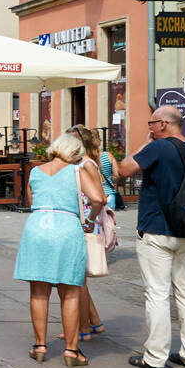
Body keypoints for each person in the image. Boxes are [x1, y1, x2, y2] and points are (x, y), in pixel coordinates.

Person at [117, 105, 185, 368]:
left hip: (157, 229)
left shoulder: (158, 147)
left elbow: (123, 170)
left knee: (157, 294)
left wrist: (143, 145)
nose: (150, 128)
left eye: (151, 123)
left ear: (163, 124)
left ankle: (155, 357)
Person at [13, 131, 104, 367]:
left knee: (38, 291)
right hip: (65, 227)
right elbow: (98, 199)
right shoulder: (77, 171)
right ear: (74, 153)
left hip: (37, 227)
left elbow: (32, 202)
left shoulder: (35, 171)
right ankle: (72, 351)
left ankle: (40, 346)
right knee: (70, 291)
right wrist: (91, 219)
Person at [57, 125, 108, 342]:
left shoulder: (86, 164)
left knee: (77, 280)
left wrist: (88, 219)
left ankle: (83, 329)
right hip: (82, 220)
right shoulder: (80, 163)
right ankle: (95, 322)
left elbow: (100, 196)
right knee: (79, 278)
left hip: (84, 222)